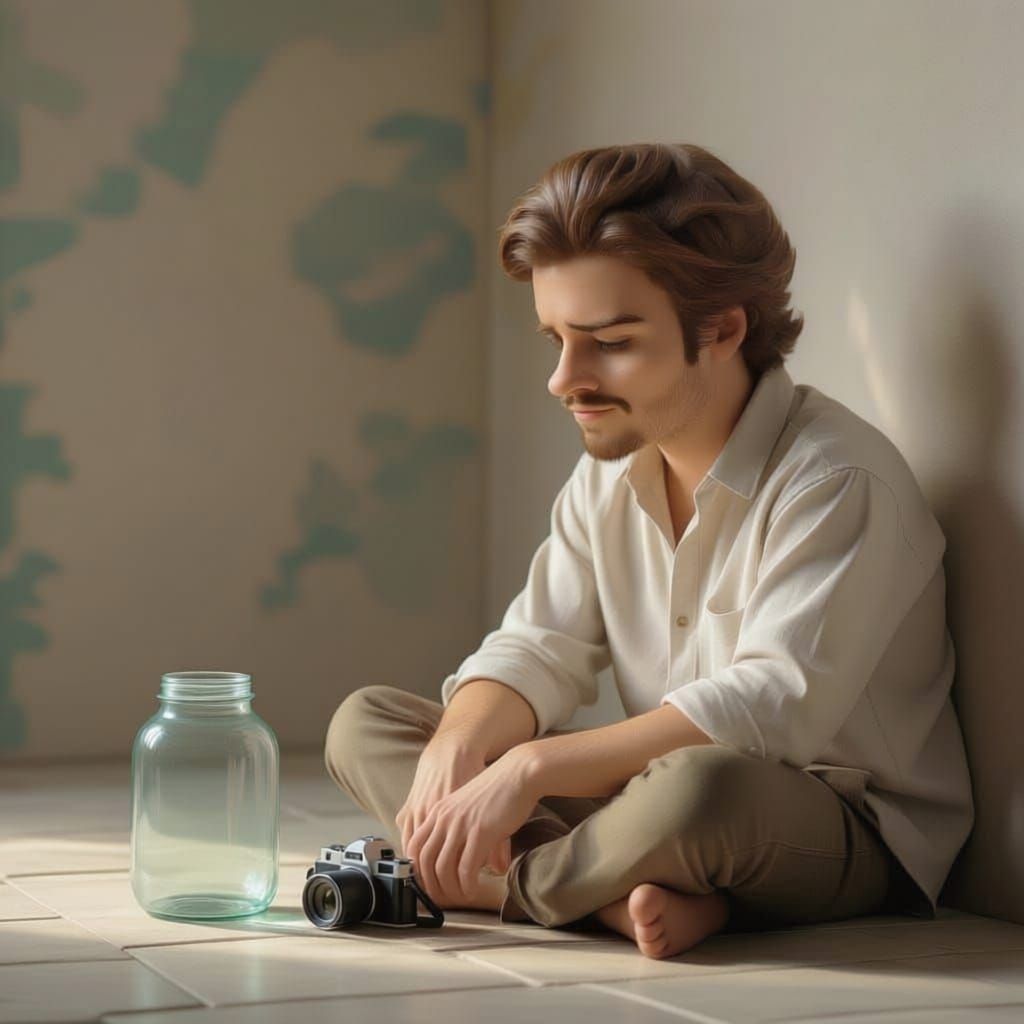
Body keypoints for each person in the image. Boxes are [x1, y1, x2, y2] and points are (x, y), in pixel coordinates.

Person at [325, 142, 974, 960]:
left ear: (723, 328)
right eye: (556, 338)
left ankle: (510, 886)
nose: (565, 379)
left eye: (609, 342)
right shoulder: (611, 471)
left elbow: (769, 711)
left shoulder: (840, 479)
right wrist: (462, 747)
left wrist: (525, 770)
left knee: (700, 787)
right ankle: (600, 899)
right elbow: (538, 646)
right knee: (368, 722)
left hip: (835, 824)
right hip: (652, 810)